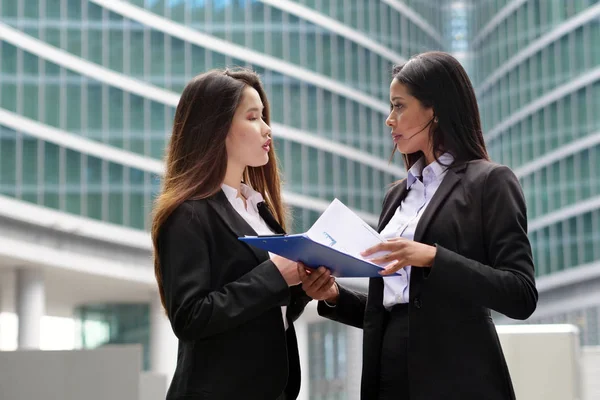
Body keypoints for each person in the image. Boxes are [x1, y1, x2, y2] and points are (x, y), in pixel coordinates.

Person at [298, 51, 538, 400]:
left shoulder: (491, 182)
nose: (388, 119)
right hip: (387, 371)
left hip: (457, 377)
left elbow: (520, 294)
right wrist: (334, 296)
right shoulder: (396, 196)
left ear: (434, 110)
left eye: (398, 106)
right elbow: (393, 306)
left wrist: (432, 257)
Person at [151, 68, 311, 400]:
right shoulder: (188, 213)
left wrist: (303, 288)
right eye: (253, 118)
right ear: (216, 127)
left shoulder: (258, 208)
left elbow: (264, 312)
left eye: (264, 117)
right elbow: (190, 316)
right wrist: (276, 276)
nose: (267, 129)